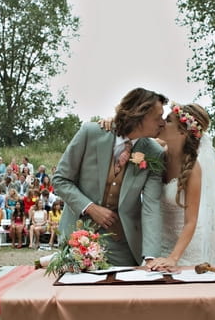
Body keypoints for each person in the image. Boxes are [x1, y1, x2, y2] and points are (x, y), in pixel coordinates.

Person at [53, 87, 166, 266]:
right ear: (139, 115)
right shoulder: (90, 133)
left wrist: (151, 256)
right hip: (77, 239)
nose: (163, 123)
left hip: (123, 244)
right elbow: (60, 180)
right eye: (158, 117)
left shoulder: (154, 152)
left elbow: (151, 206)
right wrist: (90, 208)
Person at [147, 103, 215, 269]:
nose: (162, 122)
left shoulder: (193, 168)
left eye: (168, 120)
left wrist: (173, 258)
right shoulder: (156, 155)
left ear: (182, 131)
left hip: (184, 248)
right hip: (158, 243)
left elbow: (190, 222)